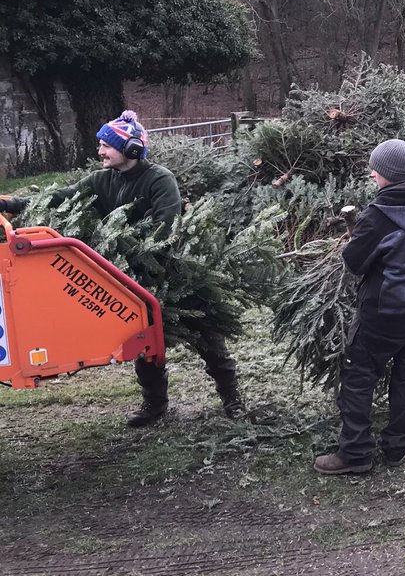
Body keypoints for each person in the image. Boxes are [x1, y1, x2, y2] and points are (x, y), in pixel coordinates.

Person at [0, 110, 245, 427]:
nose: (100, 151)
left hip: (173, 273)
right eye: (100, 145)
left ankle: (233, 401)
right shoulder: (101, 180)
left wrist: (120, 242)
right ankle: (154, 405)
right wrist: (7, 203)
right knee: (144, 343)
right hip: (128, 276)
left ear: (130, 149)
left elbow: (166, 229)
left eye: (106, 145)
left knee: (208, 338)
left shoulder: (159, 179)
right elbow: (58, 197)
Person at [314, 139, 405, 475]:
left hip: (383, 314)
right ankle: (397, 446)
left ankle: (356, 454)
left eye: (376, 170)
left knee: (358, 375)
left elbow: (354, 262)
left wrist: (355, 237)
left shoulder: (379, 216)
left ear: (386, 174)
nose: (373, 175)